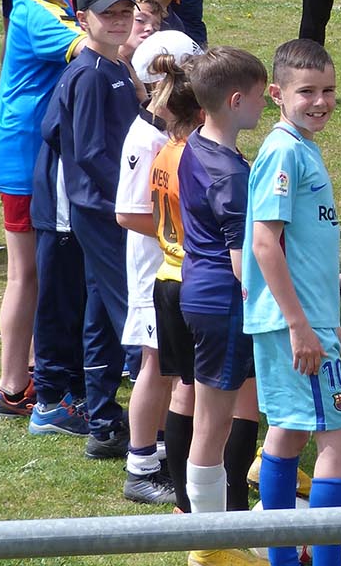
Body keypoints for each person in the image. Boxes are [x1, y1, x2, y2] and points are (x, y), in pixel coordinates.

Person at [244, 39, 341, 566]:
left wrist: (326, 285)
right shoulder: (285, 151)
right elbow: (264, 243)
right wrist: (302, 326)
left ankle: (284, 559)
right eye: (306, 91)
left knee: (288, 431)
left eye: (328, 90)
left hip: (304, 316)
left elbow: (293, 240)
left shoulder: (300, 146)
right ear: (277, 94)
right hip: (295, 324)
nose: (320, 101)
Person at [36, 0, 143, 459]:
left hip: (107, 209)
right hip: (104, 212)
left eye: (125, 13)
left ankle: (103, 423)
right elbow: (90, 151)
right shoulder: (89, 74)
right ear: (83, 19)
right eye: (108, 15)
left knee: (101, 314)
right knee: (134, 315)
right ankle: (158, 428)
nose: (119, 21)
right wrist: (133, 198)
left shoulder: (114, 67)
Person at [0, 0, 87, 419]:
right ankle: (11, 388)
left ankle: (28, 369)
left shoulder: (56, 0)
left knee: (36, 274)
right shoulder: (35, 11)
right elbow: (89, 47)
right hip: (24, 155)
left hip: (34, 151)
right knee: (25, 275)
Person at [180, 47, 269, 563]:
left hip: (203, 294)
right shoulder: (229, 176)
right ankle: (209, 547)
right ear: (236, 101)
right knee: (212, 425)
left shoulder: (198, 143)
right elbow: (244, 265)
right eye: (259, 96)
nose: (265, 104)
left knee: (215, 418)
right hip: (224, 305)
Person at [118, 29, 203, 505]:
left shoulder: (171, 133)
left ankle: (170, 451)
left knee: (175, 366)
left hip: (177, 266)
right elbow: (128, 213)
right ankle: (140, 465)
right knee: (155, 363)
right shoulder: (147, 137)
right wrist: (187, 232)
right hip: (156, 267)